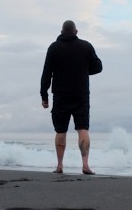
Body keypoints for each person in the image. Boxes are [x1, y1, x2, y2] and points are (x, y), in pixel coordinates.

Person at [40, 19, 103, 174]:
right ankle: (85, 165)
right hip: (81, 95)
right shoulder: (86, 46)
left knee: (60, 131)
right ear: (76, 31)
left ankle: (60, 165)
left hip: (61, 96)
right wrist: (82, 70)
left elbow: (46, 73)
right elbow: (98, 67)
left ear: (61, 32)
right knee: (83, 128)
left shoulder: (54, 48)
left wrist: (44, 96)